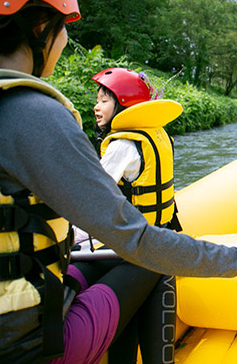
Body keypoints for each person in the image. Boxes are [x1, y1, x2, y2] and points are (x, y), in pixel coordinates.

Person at [0, 0, 237, 363]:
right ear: (41, 26)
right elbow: (138, 241)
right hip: (20, 348)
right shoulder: (30, 113)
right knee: (151, 261)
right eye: (64, 28)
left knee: (100, 265)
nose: (64, 41)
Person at [71, 67, 185, 363]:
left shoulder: (122, 145)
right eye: (97, 99)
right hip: (157, 237)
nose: (96, 106)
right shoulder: (157, 134)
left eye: (104, 100)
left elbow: (91, 195)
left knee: (124, 332)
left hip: (128, 247)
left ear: (123, 104)